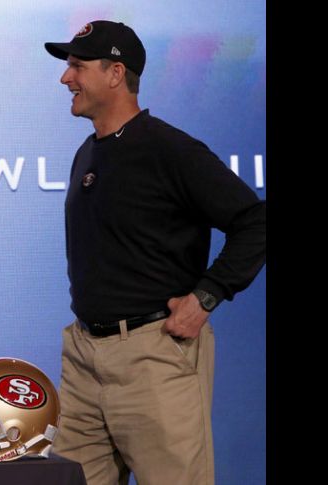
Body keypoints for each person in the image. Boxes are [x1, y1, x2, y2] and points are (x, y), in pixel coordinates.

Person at [44, 21, 266, 485]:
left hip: (153, 356)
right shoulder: (88, 152)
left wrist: (206, 297)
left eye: (77, 66)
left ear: (115, 73)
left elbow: (255, 221)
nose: (66, 78)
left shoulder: (171, 149)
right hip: (84, 361)